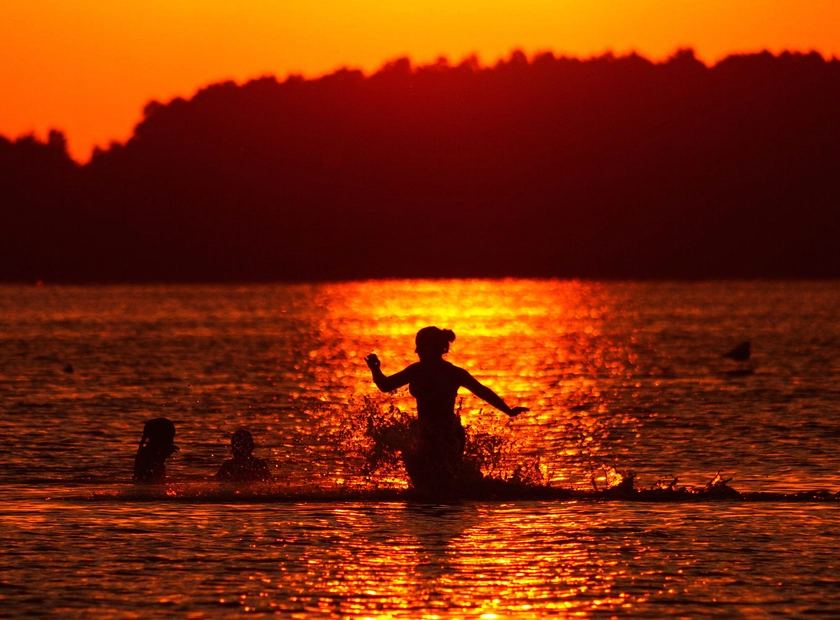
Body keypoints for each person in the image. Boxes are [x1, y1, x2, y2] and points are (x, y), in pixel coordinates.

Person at [365, 326, 528, 494]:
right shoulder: (421, 370)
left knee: (442, 486)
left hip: (448, 435)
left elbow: (482, 391)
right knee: (428, 486)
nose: (416, 351)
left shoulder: (445, 372)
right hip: (426, 433)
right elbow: (386, 386)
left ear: (431, 347)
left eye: (419, 346)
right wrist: (375, 369)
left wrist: (508, 410)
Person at [133, 417, 179, 482]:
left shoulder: (144, 452)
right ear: (160, 437)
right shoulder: (149, 454)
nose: (172, 442)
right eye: (170, 437)